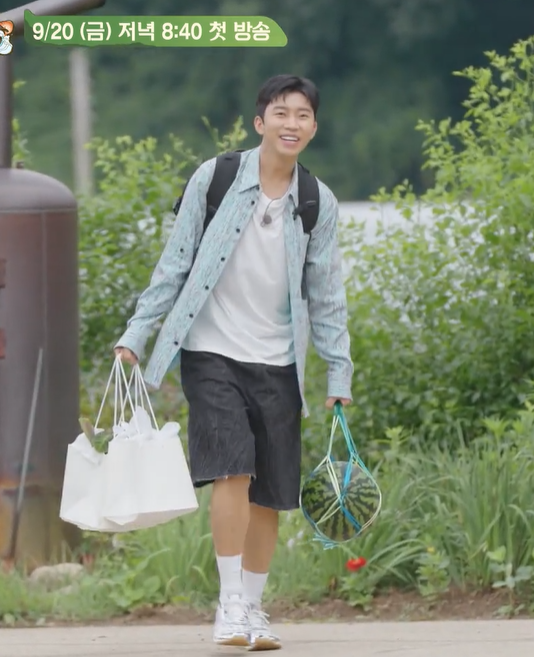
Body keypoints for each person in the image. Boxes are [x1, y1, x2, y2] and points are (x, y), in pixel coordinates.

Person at [112, 74, 353, 651]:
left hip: (279, 361)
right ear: (259, 122)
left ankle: (254, 607)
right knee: (232, 470)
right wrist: (136, 335)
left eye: (302, 115)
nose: (291, 124)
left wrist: (338, 370)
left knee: (270, 492)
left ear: (313, 128)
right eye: (281, 113)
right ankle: (229, 605)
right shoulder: (216, 178)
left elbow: (327, 296)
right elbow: (174, 264)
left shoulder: (316, 202)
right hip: (211, 351)